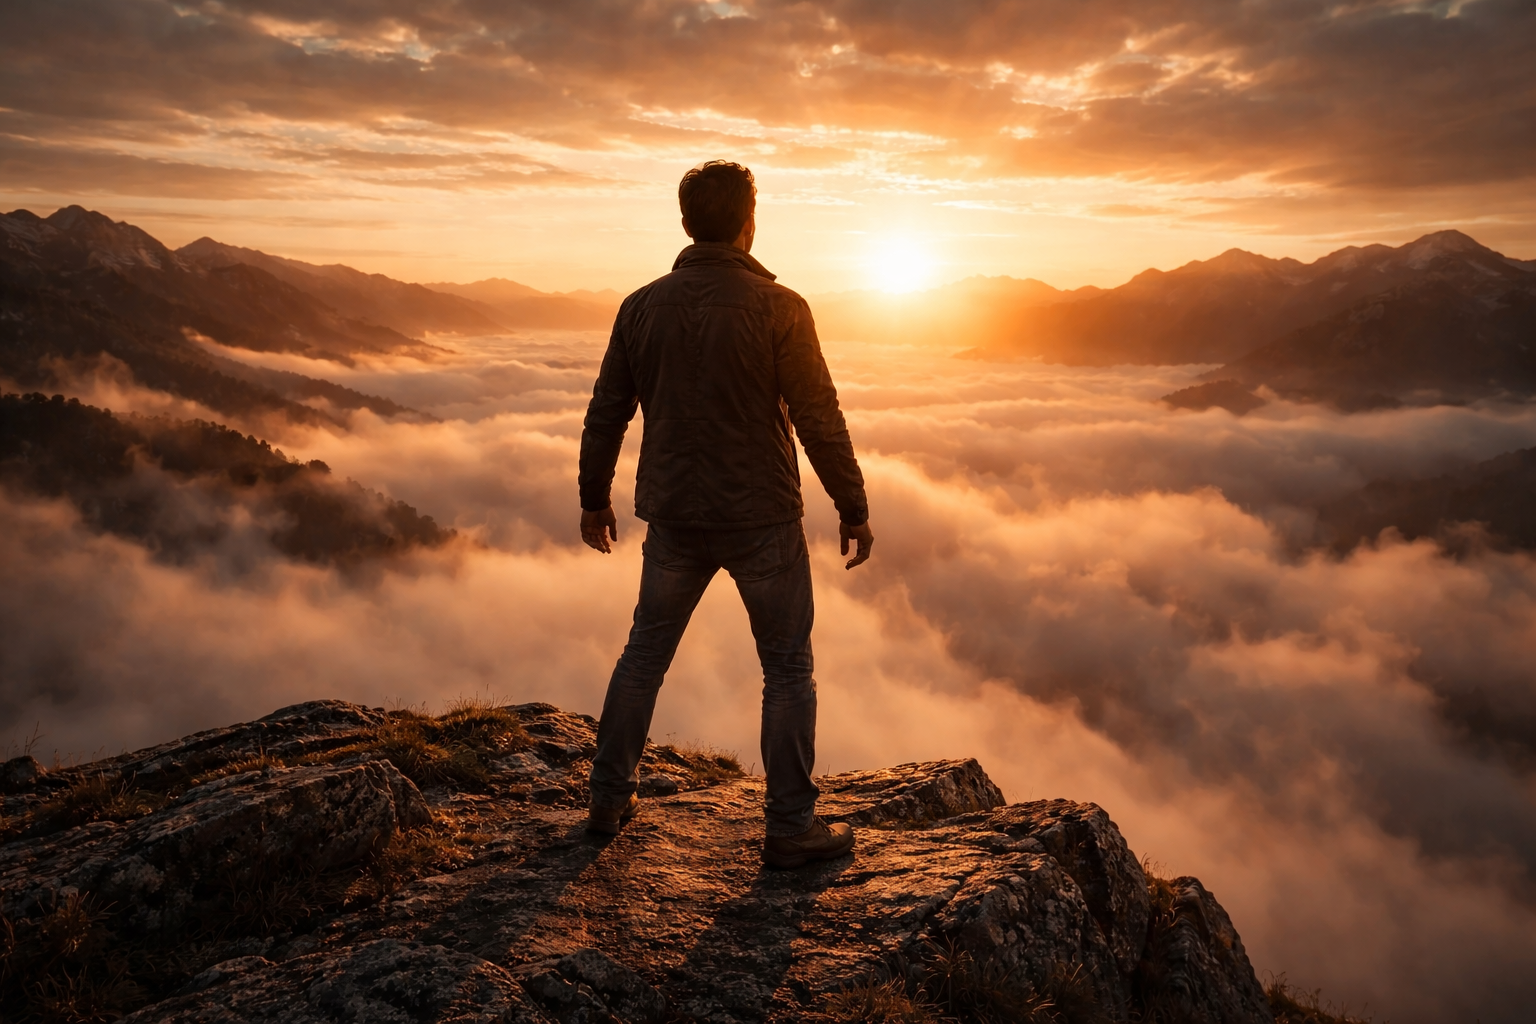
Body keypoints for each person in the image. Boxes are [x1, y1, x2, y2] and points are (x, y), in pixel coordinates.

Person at [578, 160, 874, 869]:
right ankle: (790, 827)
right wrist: (852, 504)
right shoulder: (782, 309)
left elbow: (606, 412)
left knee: (644, 655)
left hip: (674, 513)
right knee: (787, 669)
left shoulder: (641, 307)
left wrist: (594, 499)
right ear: (749, 223)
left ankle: (607, 800)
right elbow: (817, 417)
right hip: (762, 515)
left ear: (685, 223)